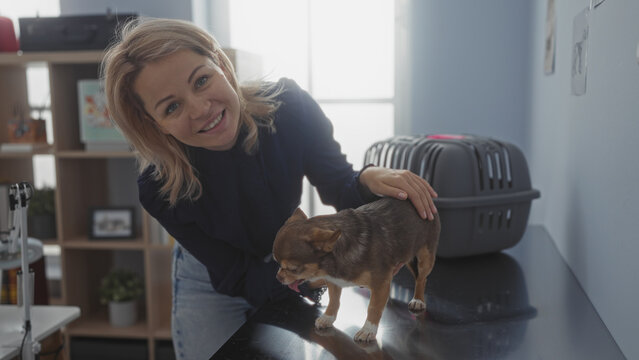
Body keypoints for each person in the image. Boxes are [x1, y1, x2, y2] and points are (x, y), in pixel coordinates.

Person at [102, 17, 438, 359]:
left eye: (201, 80)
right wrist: (309, 276)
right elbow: (236, 274)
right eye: (172, 107)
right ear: (153, 123)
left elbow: (340, 186)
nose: (201, 109)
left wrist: (367, 179)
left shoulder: (290, 107)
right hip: (212, 280)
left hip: (293, 258)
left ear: (220, 64)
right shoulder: (159, 189)